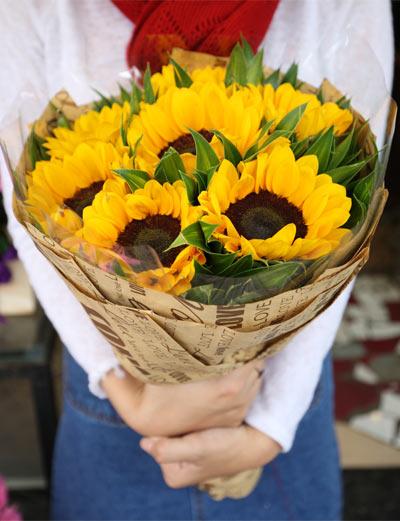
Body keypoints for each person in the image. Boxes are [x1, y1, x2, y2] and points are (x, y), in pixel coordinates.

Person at [0, 1, 394, 520]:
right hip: (115, 390)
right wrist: (122, 385)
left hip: (281, 389)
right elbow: (23, 194)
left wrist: (268, 424)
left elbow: (355, 198)